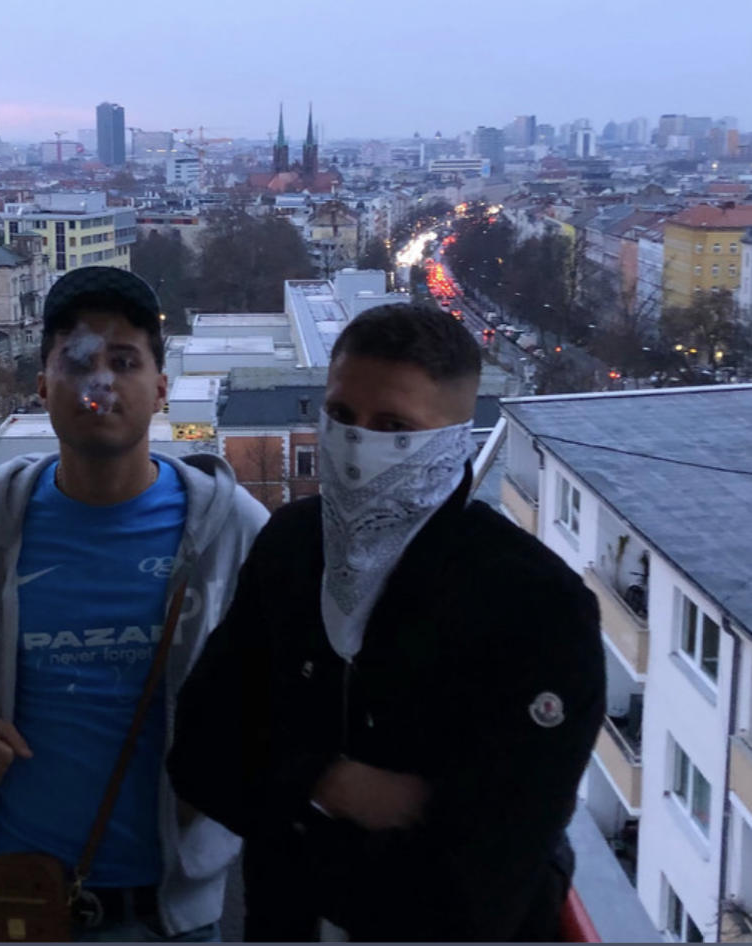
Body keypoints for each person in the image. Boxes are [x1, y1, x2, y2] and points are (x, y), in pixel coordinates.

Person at [168, 303, 606, 942]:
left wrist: (285, 802)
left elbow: (476, 886)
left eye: (394, 426)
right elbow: (197, 754)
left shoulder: (536, 608)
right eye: (341, 415)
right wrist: (329, 782)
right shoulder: (292, 548)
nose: (357, 444)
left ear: (454, 439)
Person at [0, 266, 269, 940]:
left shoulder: (233, 529)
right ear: (42, 386)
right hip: (18, 903)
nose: (101, 382)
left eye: (124, 361)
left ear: (162, 388)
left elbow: (282, 679)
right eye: (78, 360)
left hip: (169, 915)